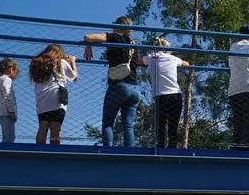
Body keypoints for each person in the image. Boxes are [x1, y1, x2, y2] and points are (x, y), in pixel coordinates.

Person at [84, 17, 143, 147]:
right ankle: (130, 153)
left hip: (119, 86)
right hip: (135, 89)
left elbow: (88, 36)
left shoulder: (114, 37)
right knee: (128, 125)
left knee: (108, 123)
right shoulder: (133, 44)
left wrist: (88, 45)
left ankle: (108, 151)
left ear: (118, 26)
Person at [137, 37, 189, 148]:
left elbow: (138, 60)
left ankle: (160, 149)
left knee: (160, 126)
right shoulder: (173, 58)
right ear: (167, 49)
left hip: (160, 97)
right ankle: (172, 150)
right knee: (173, 126)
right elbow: (186, 64)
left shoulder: (151, 57)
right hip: (175, 95)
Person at [29, 44, 77, 145]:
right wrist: (72, 61)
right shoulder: (61, 62)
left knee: (43, 126)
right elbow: (74, 77)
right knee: (55, 128)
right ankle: (55, 153)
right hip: (56, 98)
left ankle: (39, 152)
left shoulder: (37, 64)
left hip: (41, 100)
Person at [0, 59, 18, 143]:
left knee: (5, 137)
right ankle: (8, 155)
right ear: (9, 69)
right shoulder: (6, 80)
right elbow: (8, 96)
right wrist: (12, 112)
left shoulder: (0, 80)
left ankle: (3, 153)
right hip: (7, 113)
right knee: (10, 137)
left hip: (1, 113)